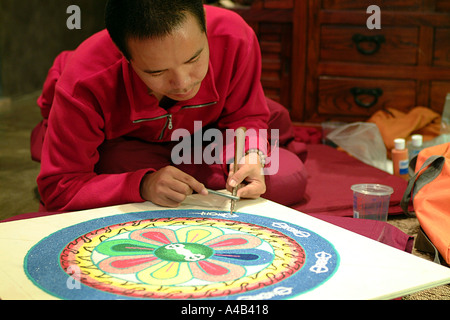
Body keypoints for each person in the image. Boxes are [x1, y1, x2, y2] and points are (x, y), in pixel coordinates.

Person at [32, 0, 308, 212]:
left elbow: (246, 115)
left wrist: (250, 154)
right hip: (125, 144)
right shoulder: (86, 81)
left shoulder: (234, 37)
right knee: (114, 164)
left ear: (205, 31)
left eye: (194, 59)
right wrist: (142, 184)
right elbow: (59, 186)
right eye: (155, 72)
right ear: (125, 57)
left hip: (201, 130)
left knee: (284, 177)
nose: (182, 84)